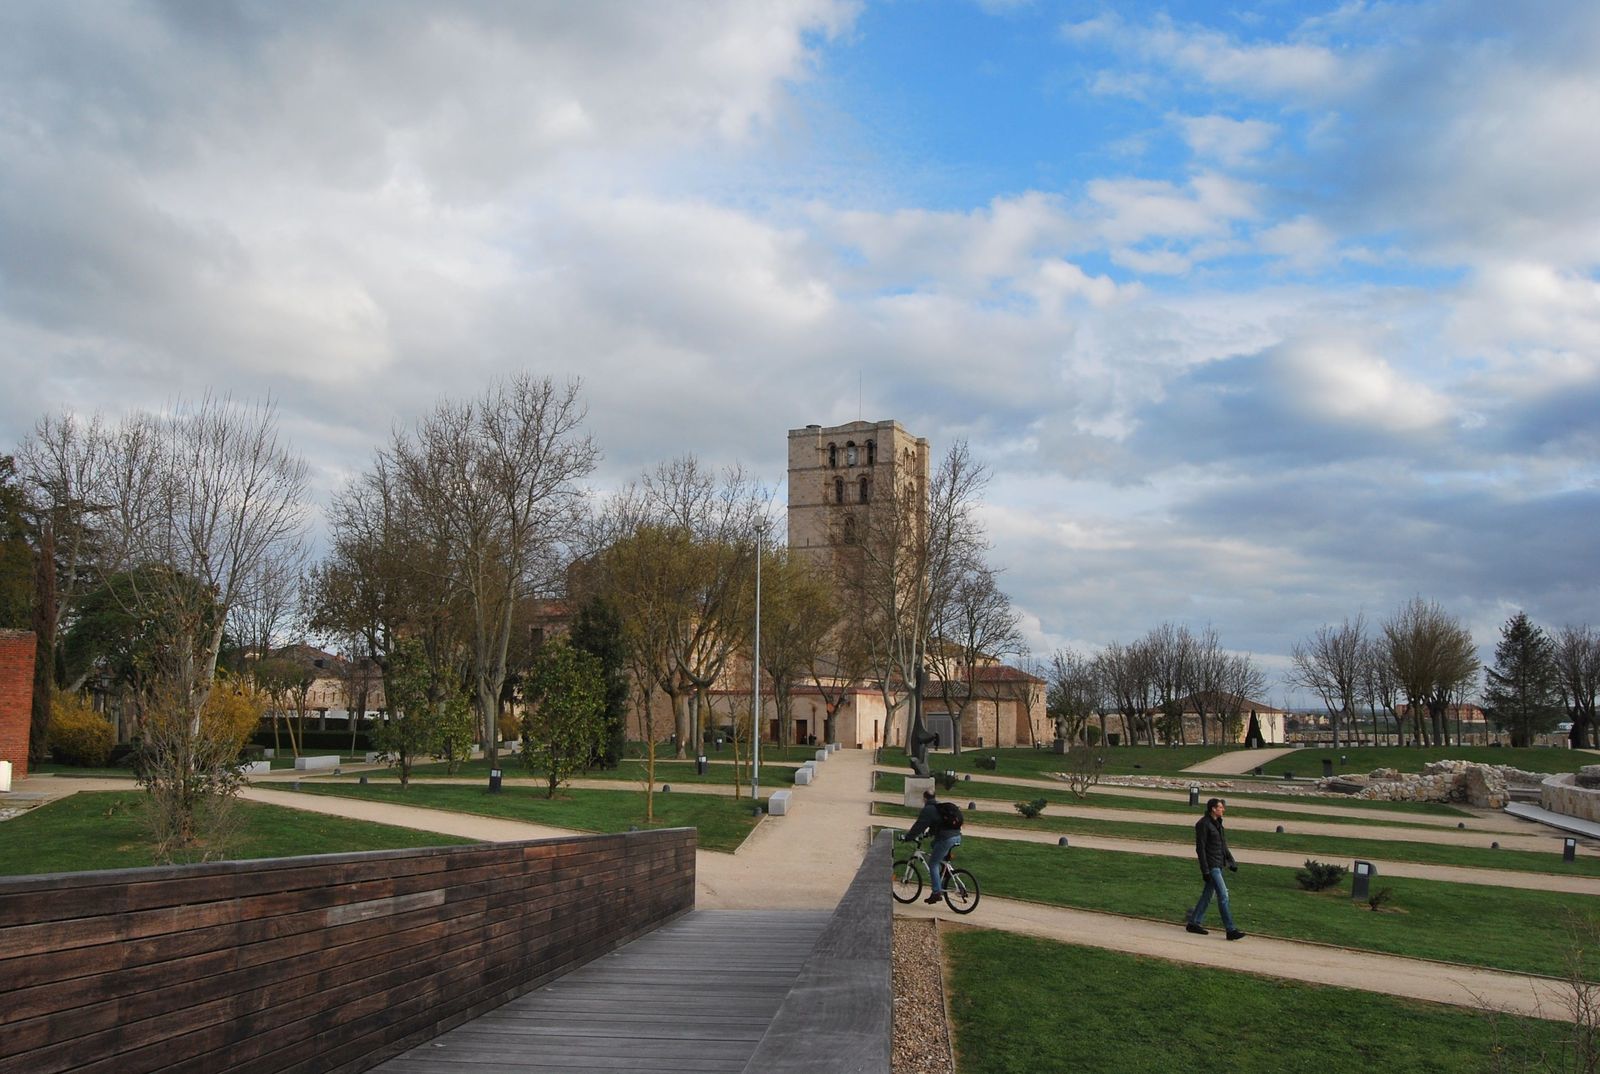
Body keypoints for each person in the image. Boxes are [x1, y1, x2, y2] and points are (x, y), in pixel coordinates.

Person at [1187, 797, 1244, 940]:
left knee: (1207, 895)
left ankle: (1193, 923)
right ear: (1213, 808)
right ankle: (1230, 930)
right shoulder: (1203, 824)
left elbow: (1222, 845)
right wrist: (1205, 871)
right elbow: (1200, 849)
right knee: (1223, 895)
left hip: (1218, 864)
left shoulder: (1218, 824)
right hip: (1212, 866)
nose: (1223, 809)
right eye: (1220, 807)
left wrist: (1231, 862)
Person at [903, 788, 961, 905]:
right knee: (934, 845)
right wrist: (928, 834)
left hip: (946, 838)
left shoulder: (928, 810)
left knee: (933, 863)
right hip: (956, 836)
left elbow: (918, 826)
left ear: (924, 798)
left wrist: (907, 837)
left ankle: (936, 893)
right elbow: (937, 826)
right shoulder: (939, 808)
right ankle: (943, 875)